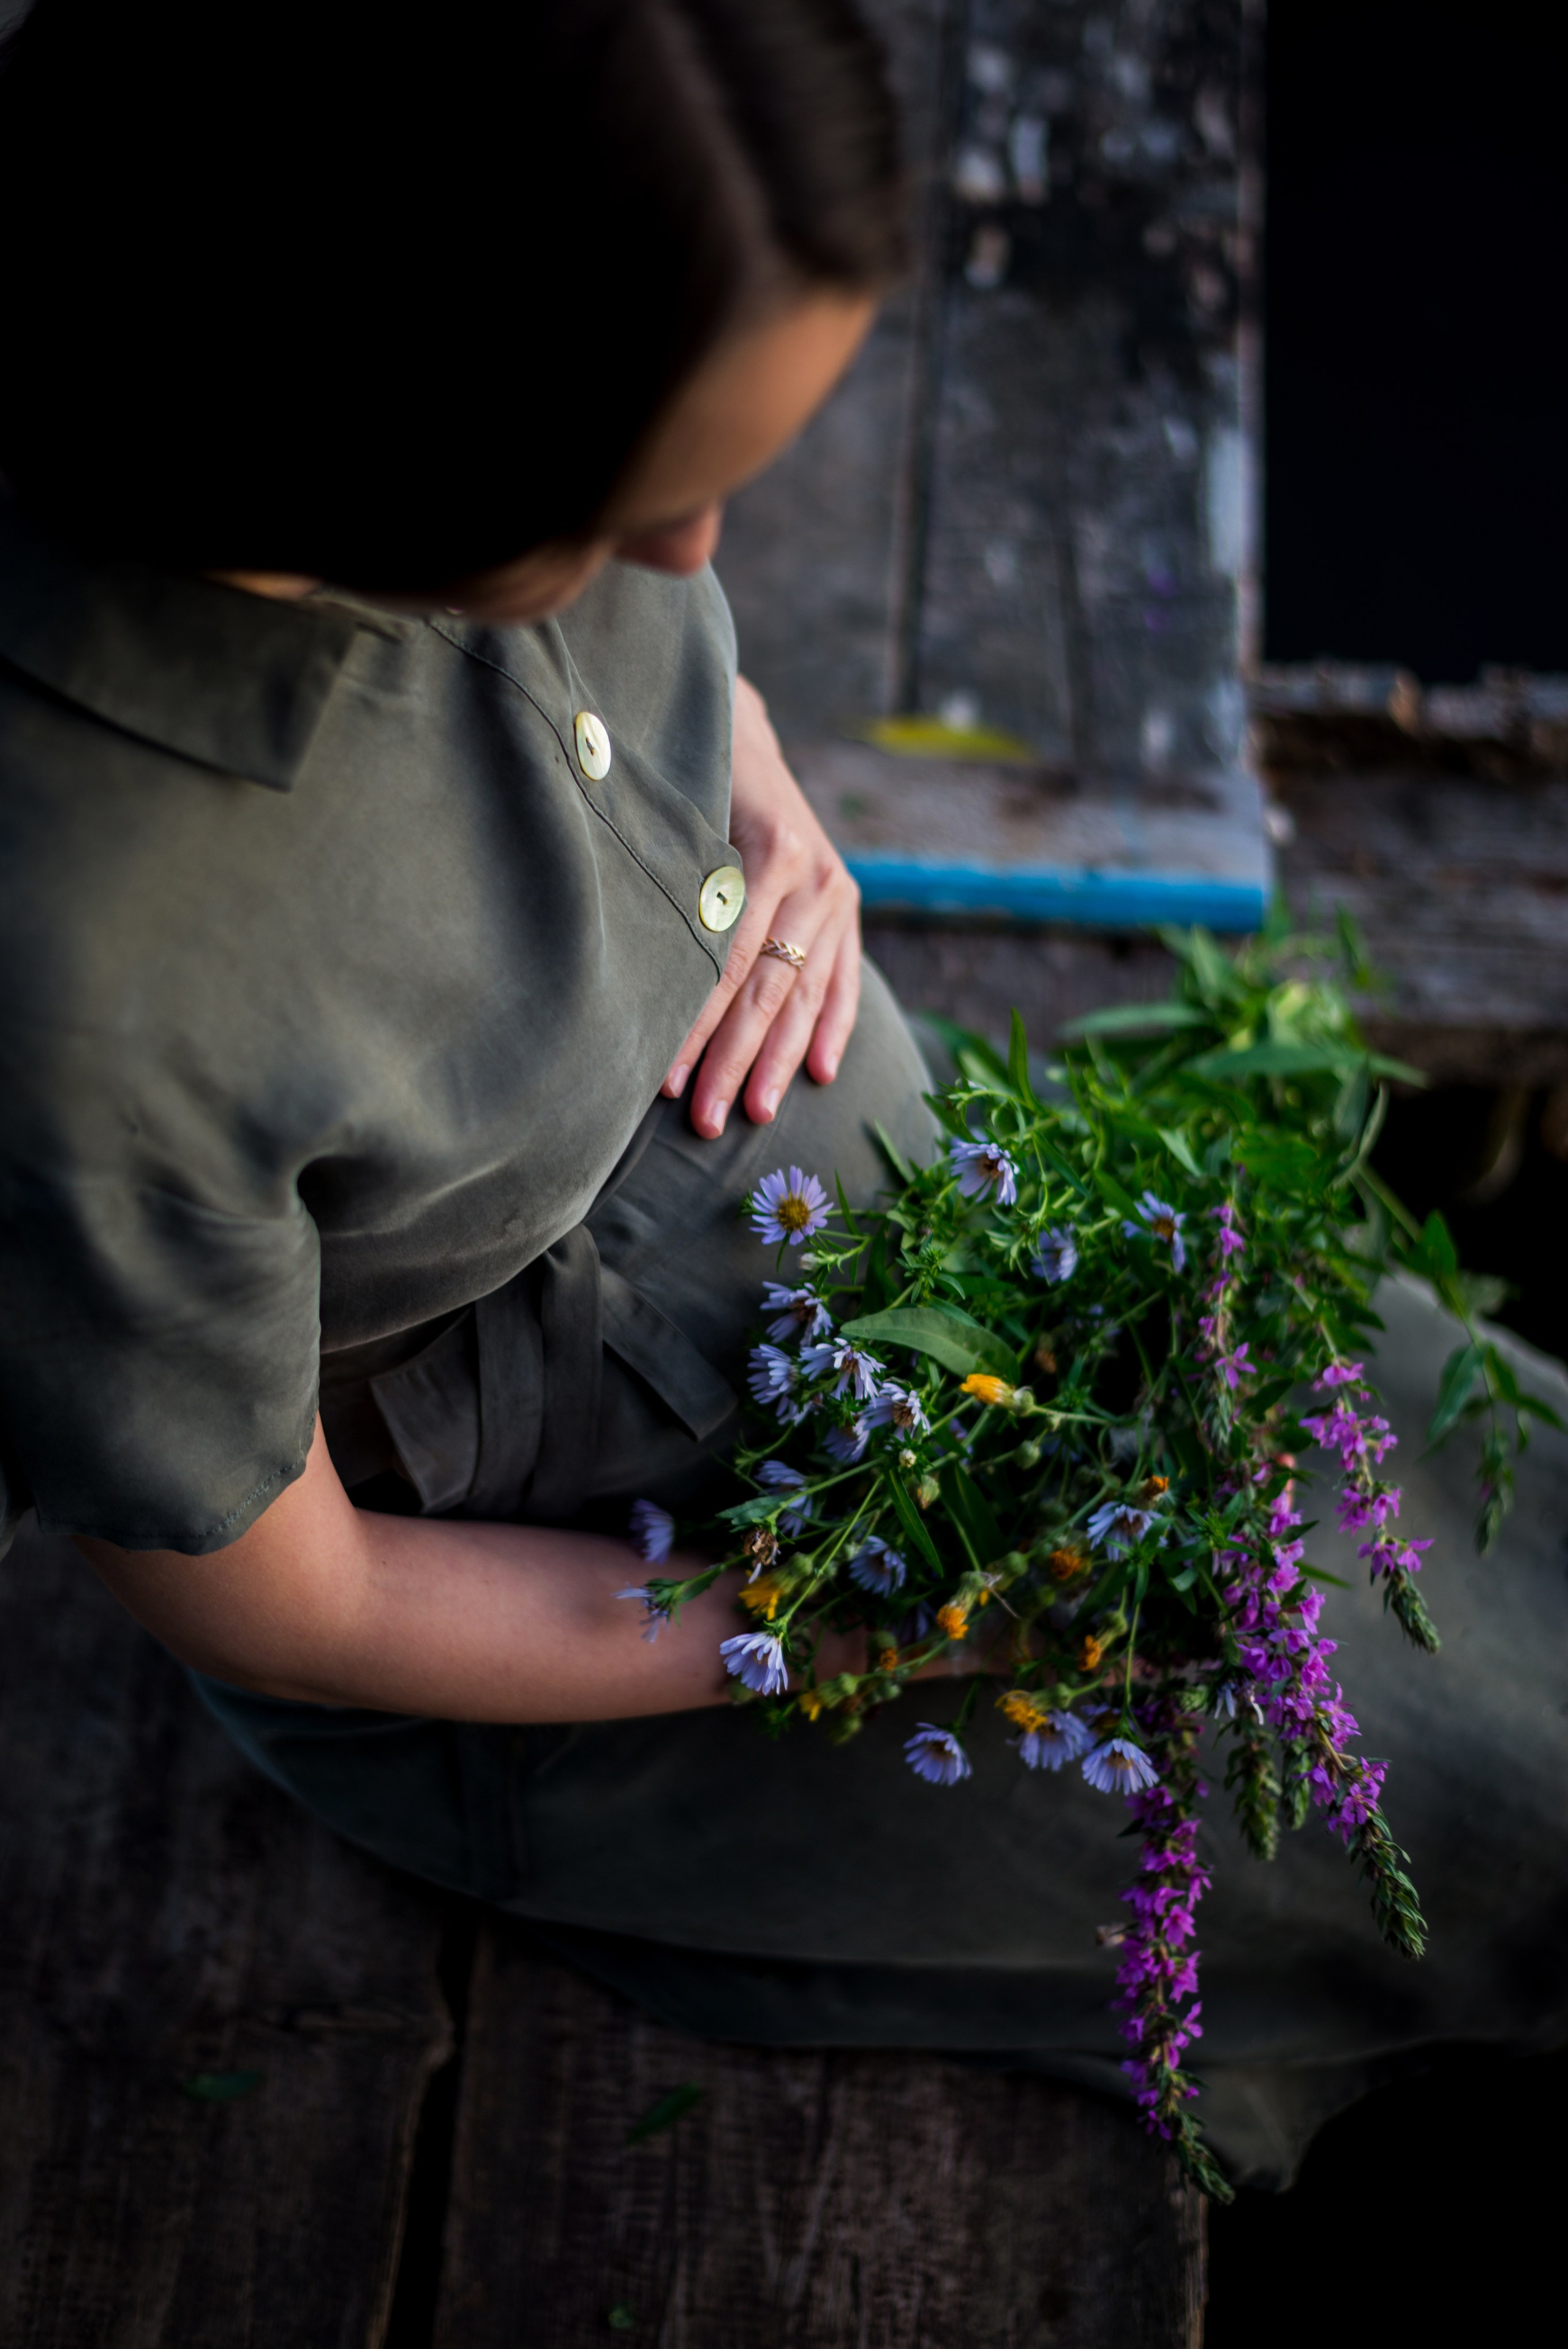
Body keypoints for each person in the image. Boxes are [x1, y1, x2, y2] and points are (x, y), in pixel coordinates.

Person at [2, 0, 1566, 2194]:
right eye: (636, 497)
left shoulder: (428, 357)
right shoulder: (87, 973)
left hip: (900, 1207)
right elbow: (296, 1597)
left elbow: (615, 646)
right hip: (615, 1569)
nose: (700, 553)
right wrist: (845, 1625)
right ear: (385, 428)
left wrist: (750, 777)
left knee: (1488, 1502)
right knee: (1461, 1802)